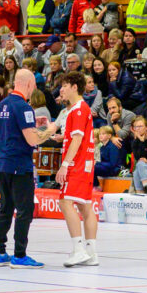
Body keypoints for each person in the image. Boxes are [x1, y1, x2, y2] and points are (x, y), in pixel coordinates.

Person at [0, 69, 57, 268]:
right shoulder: (24, 107)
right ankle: (20, 255)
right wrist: (50, 130)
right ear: (28, 84)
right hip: (19, 165)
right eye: (34, 86)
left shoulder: (2, 104)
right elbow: (32, 140)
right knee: (24, 209)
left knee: (5, 207)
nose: (34, 90)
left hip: (2, 163)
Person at [53, 71, 100, 267]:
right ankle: (91, 253)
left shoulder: (79, 109)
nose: (60, 90)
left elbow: (78, 139)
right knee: (85, 206)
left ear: (74, 87)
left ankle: (79, 249)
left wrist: (64, 165)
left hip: (77, 163)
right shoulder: (77, 109)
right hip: (85, 162)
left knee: (65, 202)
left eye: (63, 86)